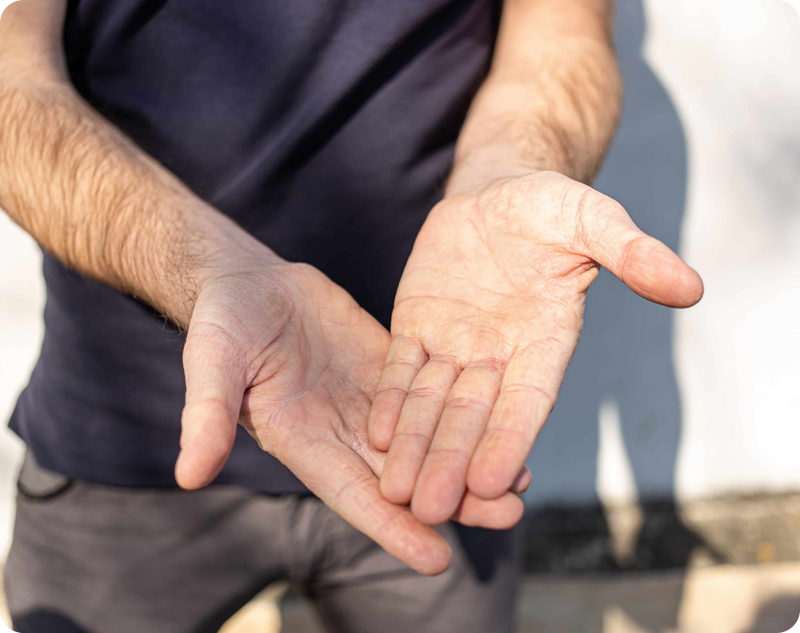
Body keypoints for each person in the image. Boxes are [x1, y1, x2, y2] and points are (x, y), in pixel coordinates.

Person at [0, 0, 703, 631]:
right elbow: (12, 80)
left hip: (432, 427)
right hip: (122, 446)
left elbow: (558, 28)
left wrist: (510, 171)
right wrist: (208, 269)